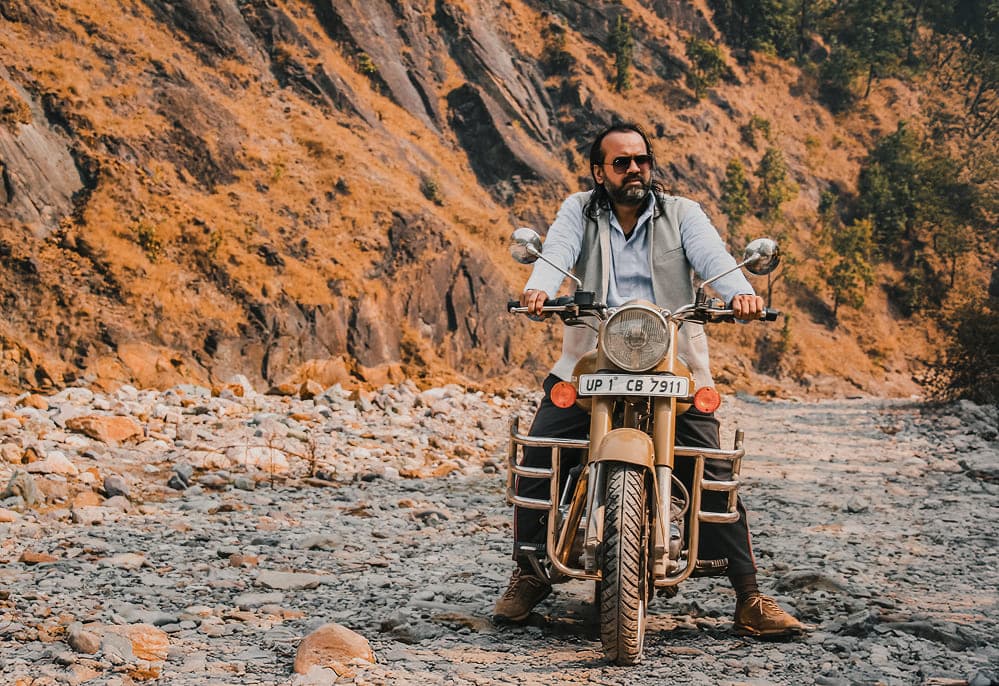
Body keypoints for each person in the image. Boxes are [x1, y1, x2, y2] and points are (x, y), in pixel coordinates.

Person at [493, 122, 806, 638]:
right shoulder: (579, 210)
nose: (634, 169)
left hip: (673, 363)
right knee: (540, 455)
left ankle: (749, 595)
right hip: (592, 358)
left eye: (642, 160)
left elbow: (713, 258)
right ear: (600, 172)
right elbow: (558, 252)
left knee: (710, 466)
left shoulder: (683, 213)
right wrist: (539, 289)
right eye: (621, 162)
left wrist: (740, 294)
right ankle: (529, 573)